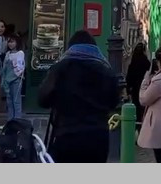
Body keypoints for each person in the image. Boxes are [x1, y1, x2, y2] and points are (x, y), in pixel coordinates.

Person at [38, 31, 120, 163]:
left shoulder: (59, 69)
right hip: (98, 137)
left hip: (67, 135)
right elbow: (114, 102)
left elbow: (42, 99)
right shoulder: (106, 71)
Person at [0, 35, 26, 122]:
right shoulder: (7, 54)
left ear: (17, 42)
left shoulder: (20, 53)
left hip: (16, 80)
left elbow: (20, 68)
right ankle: (10, 121)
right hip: (7, 81)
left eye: (12, 42)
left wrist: (14, 77)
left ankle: (18, 121)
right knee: (9, 102)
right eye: (9, 42)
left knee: (16, 101)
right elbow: (4, 68)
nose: (10, 44)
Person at [126, 42, 151, 129]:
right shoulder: (147, 63)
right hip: (145, 89)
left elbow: (128, 78)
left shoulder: (132, 64)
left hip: (135, 90)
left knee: (136, 110)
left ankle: (137, 128)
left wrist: (128, 91)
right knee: (144, 110)